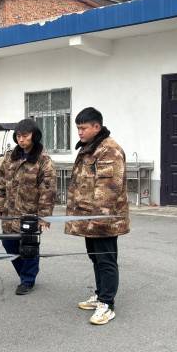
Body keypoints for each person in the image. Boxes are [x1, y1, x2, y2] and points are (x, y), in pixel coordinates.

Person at [66, 107, 129, 325]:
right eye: (78, 128)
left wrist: (98, 220)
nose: (79, 132)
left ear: (96, 126)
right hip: (89, 219)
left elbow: (108, 189)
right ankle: (100, 294)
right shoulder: (90, 148)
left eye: (83, 128)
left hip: (103, 220)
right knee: (95, 257)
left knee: (106, 260)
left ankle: (107, 304)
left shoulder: (109, 150)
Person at [0, 119, 56, 295]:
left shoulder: (43, 159)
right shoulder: (11, 156)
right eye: (18, 136)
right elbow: (1, 181)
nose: (21, 139)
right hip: (10, 211)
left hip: (30, 213)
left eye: (25, 136)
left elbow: (48, 190)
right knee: (8, 244)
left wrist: (44, 217)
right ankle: (25, 272)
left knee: (29, 247)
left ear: (34, 136)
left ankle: (27, 280)